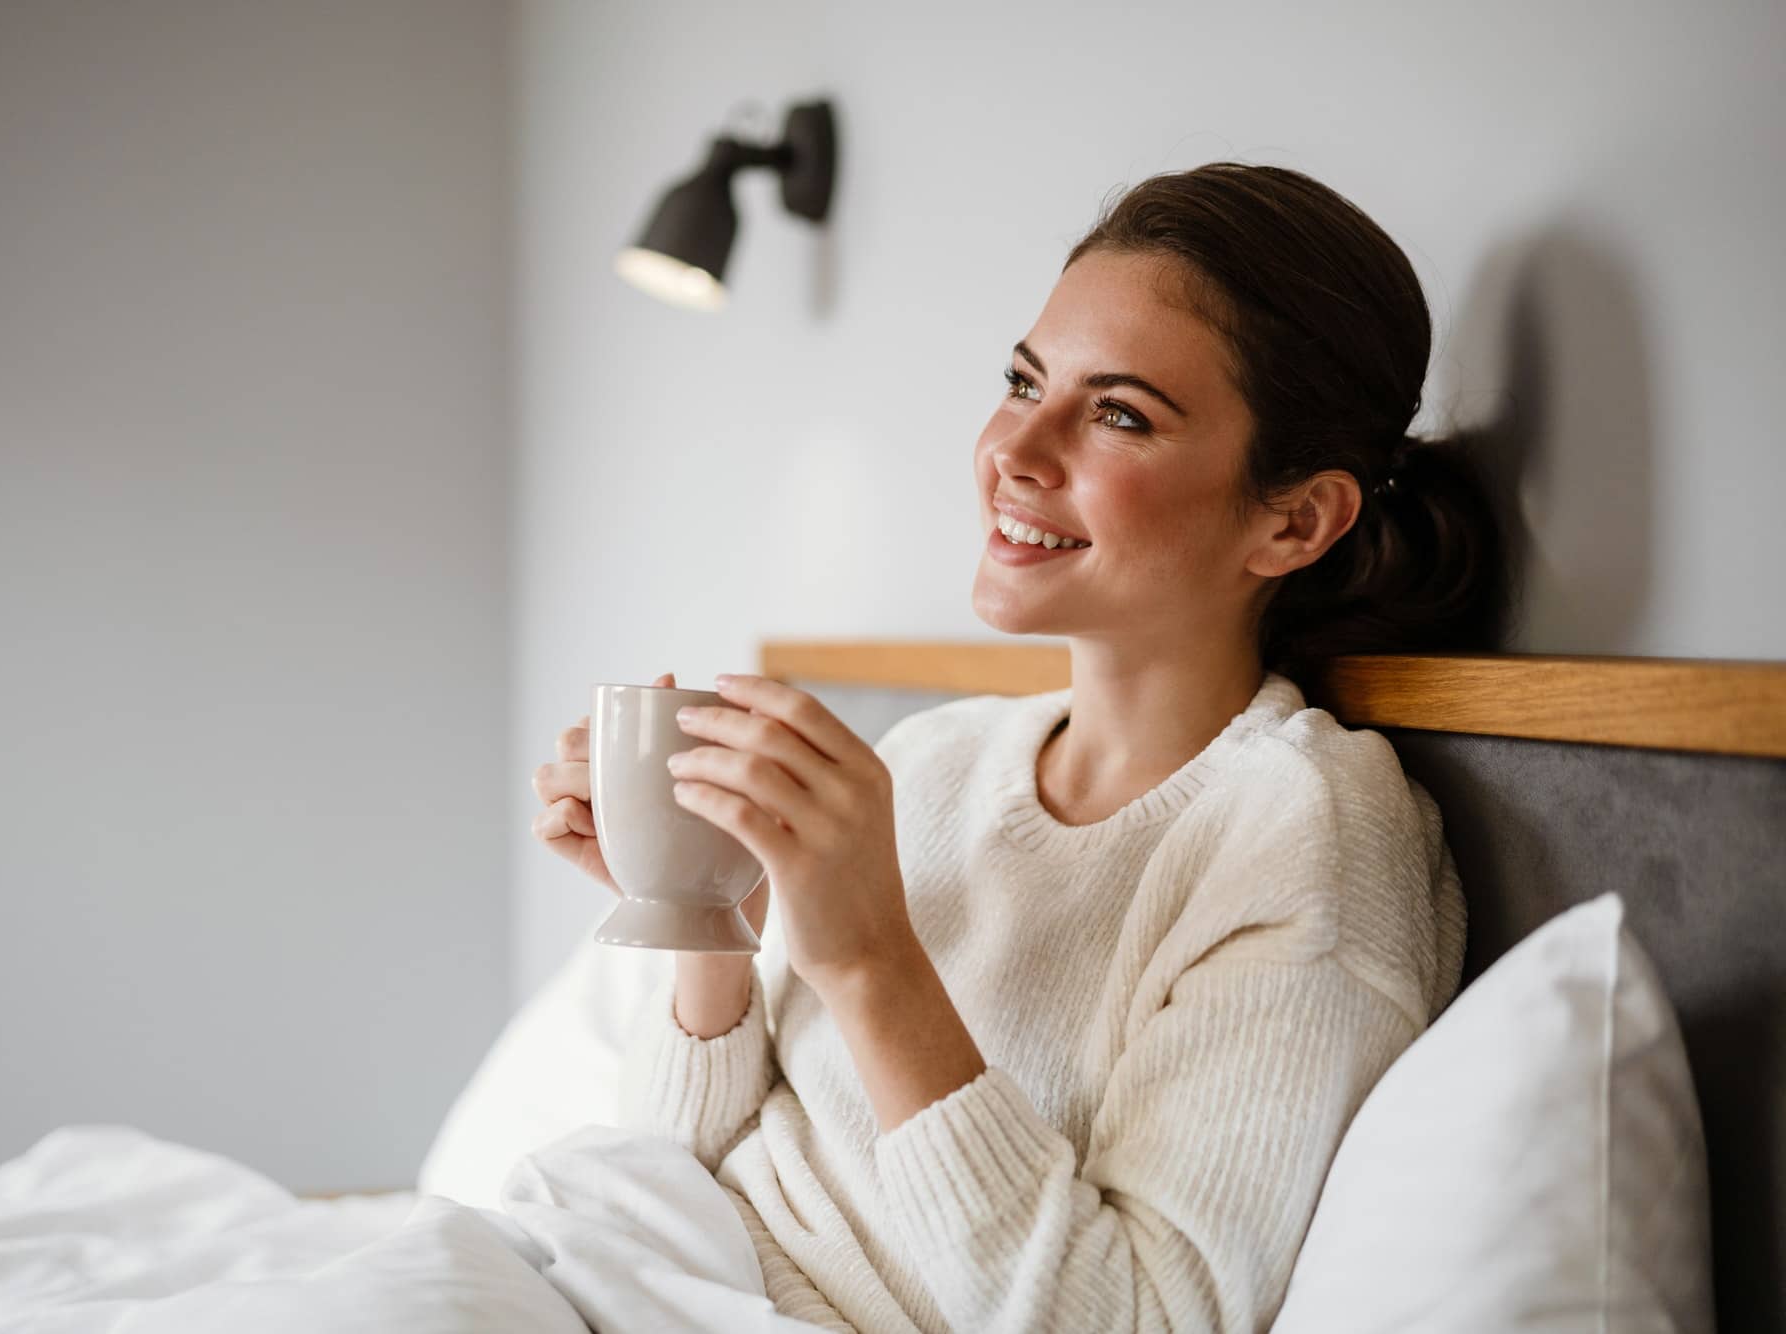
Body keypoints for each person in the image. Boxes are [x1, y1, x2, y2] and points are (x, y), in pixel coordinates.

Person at [531, 161, 1509, 1334]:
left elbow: (1141, 1315)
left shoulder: (1301, 840)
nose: (1015, 449)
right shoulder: (936, 758)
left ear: (1291, 519)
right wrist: (706, 910)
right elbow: (671, 1158)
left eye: (1117, 413)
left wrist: (876, 963)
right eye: (1021, 381)